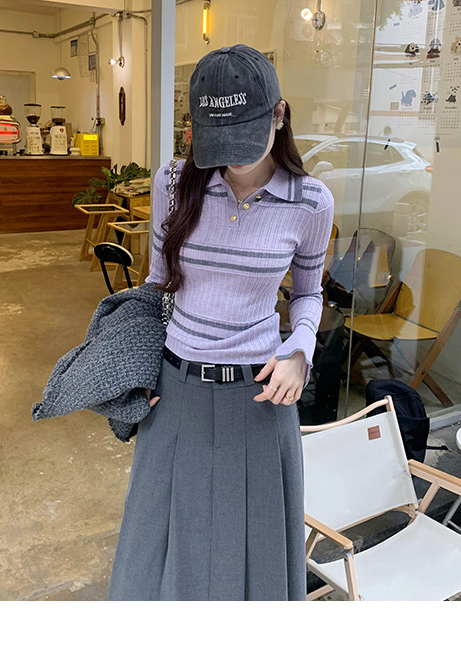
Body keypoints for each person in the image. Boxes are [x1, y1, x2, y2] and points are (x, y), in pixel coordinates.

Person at [107, 44, 334, 601]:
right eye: (218, 141)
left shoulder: (310, 202)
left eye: (244, 139)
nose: (231, 159)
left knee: (253, 562)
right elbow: (158, 284)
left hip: (259, 399)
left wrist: (299, 351)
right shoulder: (173, 183)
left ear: (278, 115)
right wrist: (137, 371)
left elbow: (309, 294)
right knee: (151, 560)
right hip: (174, 392)